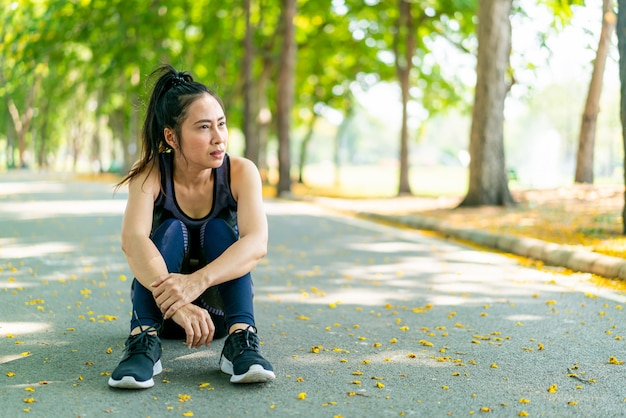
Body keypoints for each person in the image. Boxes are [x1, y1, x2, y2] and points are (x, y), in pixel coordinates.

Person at [108, 64, 275, 389]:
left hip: (220, 314)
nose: (218, 137)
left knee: (219, 230)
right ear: (171, 136)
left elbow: (257, 242)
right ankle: (142, 341)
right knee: (168, 230)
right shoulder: (150, 173)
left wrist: (196, 283)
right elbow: (133, 240)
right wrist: (179, 302)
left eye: (221, 124)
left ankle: (243, 340)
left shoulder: (241, 172)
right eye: (203, 127)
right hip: (164, 312)